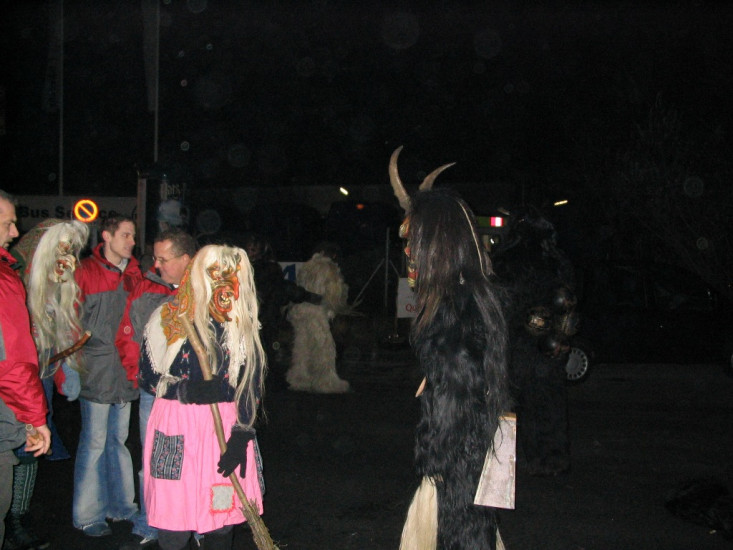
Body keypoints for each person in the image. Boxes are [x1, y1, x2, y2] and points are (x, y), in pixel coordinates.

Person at [388, 148, 511, 549]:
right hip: (474, 457)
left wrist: (433, 458)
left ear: (438, 244)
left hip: (458, 466)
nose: (409, 251)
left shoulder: (454, 309)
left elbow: (457, 395)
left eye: (416, 241)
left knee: (461, 535)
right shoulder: (469, 295)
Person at [138, 245, 266, 550]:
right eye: (215, 273)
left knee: (220, 515)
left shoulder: (241, 324)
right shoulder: (169, 317)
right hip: (177, 425)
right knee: (174, 522)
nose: (223, 282)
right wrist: (185, 390)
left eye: (230, 274)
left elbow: (251, 385)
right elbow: (147, 376)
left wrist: (242, 434)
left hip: (222, 429)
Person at [4, 218, 89, 550]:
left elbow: (56, 337)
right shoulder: (15, 280)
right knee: (15, 449)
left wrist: (66, 369)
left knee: (31, 450)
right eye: (61, 251)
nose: (67, 261)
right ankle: (12, 520)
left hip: (39, 379)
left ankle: (18, 517)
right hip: (12, 382)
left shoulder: (55, 286)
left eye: (71, 253)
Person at [117, 228, 196, 550]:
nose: (157, 265)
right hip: (155, 391)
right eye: (155, 258)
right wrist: (137, 374)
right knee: (154, 460)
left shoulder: (209, 290)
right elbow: (128, 334)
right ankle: (150, 520)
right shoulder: (147, 286)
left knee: (194, 459)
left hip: (195, 394)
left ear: (186, 259)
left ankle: (198, 522)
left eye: (164, 259)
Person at [492, 207, 577, 477]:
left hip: (516, 345)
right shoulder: (556, 260)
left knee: (512, 403)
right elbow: (569, 301)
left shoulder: (505, 260)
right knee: (548, 401)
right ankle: (552, 457)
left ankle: (513, 460)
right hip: (546, 346)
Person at [72, 216, 142, 537]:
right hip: (97, 370)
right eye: (125, 235)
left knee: (118, 441)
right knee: (95, 442)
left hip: (125, 371)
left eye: (133, 236)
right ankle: (88, 515)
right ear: (106, 236)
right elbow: (70, 323)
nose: (132, 242)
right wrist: (70, 368)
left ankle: (121, 506)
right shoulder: (85, 271)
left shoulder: (134, 273)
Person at [0, 191, 52, 548]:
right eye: (7, 224)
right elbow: (13, 359)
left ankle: (19, 516)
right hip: (16, 396)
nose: (15, 232)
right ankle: (16, 521)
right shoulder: (7, 279)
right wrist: (35, 417)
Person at [242, 233, 320, 384]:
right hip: (250, 320)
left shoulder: (268, 269)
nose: (251, 253)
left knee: (266, 354)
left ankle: (268, 380)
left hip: (264, 319)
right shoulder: (241, 268)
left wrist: (310, 297)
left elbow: (283, 290)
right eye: (249, 249)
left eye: (254, 249)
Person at [285, 242, 350, 393]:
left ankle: (300, 378)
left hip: (300, 310)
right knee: (324, 348)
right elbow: (334, 294)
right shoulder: (330, 268)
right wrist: (335, 309)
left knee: (302, 346)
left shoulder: (306, 266)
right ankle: (326, 382)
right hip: (317, 311)